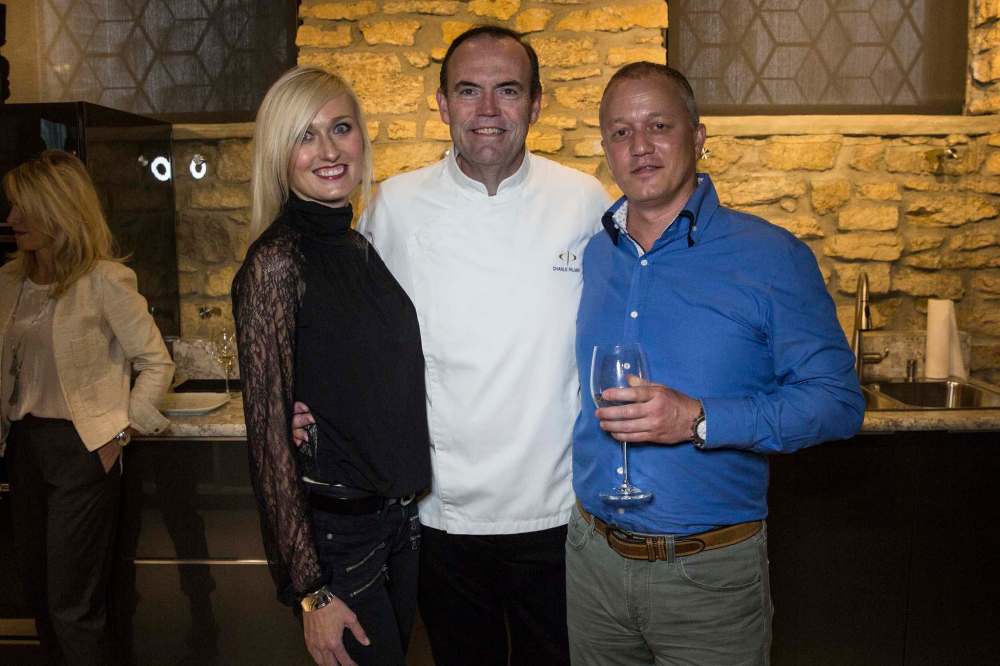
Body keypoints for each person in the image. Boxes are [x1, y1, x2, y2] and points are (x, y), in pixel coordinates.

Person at [290, 25, 610, 666]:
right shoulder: (393, 206)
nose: (487, 111)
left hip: (558, 513)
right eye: (468, 91)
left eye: (507, 91)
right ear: (441, 105)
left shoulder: (583, 201)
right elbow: (353, 338)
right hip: (439, 518)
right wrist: (300, 397)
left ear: (537, 104)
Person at [567, 62, 866, 665]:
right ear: (605, 147)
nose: (640, 146)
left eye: (659, 125)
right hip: (592, 564)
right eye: (621, 132)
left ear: (698, 137)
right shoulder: (596, 255)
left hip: (708, 578)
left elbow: (839, 402)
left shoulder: (770, 256)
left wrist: (700, 419)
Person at [231, 66, 431, 666]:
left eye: (340, 128)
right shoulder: (275, 263)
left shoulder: (358, 246)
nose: (328, 150)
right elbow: (267, 442)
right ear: (279, 154)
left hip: (398, 525)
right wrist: (311, 593)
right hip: (339, 542)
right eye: (305, 135)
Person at [0, 149, 174, 666]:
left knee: (72, 603)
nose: (11, 220)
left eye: (23, 208)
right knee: (38, 595)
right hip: (24, 448)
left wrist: (120, 434)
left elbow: (156, 364)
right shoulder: (10, 279)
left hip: (82, 449)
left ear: (58, 209)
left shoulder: (104, 280)